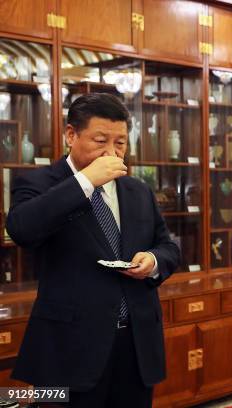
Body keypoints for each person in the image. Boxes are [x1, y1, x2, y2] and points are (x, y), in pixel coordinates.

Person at [6, 93, 180, 407]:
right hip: (69, 349)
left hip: (136, 346)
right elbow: (22, 230)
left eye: (121, 143)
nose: (112, 152)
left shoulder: (137, 189)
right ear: (71, 135)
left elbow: (167, 245)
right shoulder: (38, 183)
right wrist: (85, 182)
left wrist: (153, 260)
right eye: (100, 140)